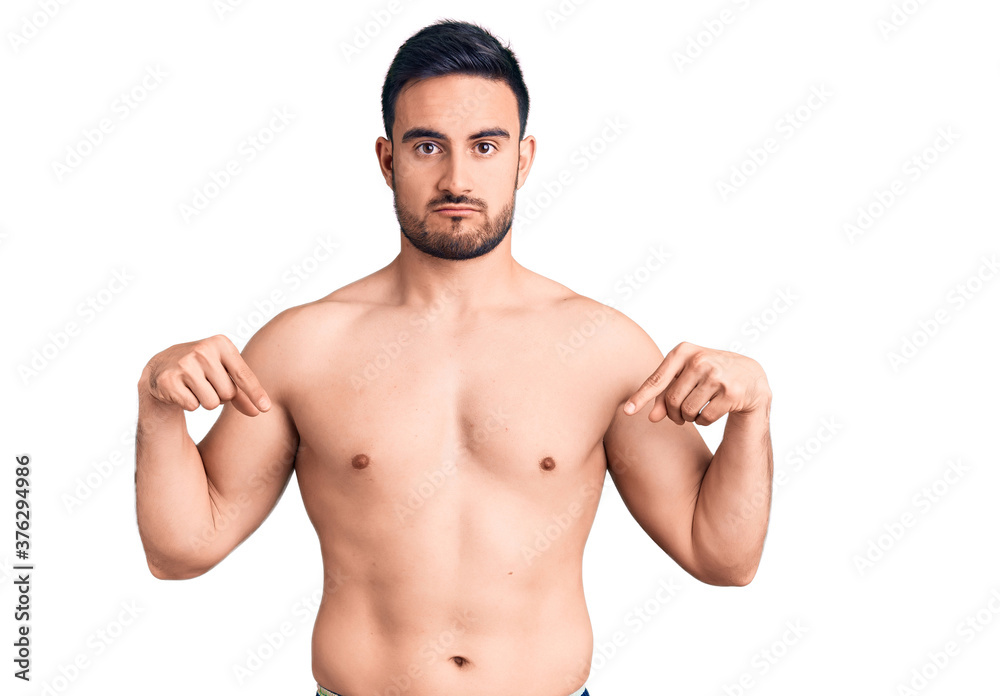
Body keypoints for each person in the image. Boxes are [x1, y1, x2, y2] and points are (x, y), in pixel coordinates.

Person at [134, 18, 773, 696]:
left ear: (523, 159)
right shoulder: (306, 345)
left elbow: (721, 556)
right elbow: (182, 550)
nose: (457, 177)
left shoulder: (602, 349)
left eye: (485, 145)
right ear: (388, 160)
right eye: (428, 145)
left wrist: (753, 408)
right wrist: (156, 405)